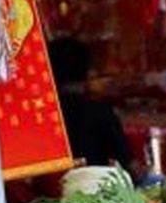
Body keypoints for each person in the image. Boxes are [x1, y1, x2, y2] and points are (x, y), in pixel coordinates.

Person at [48, 37, 145, 182]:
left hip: (48, 195)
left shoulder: (43, 115)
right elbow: (131, 167)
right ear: (86, 72)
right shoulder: (100, 112)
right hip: (94, 194)